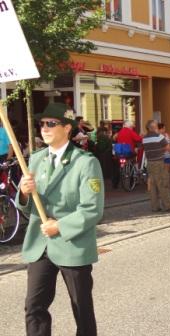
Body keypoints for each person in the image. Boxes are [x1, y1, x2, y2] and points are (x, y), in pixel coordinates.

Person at [16, 103, 104, 336]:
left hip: (72, 243)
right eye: (42, 124)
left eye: (51, 124)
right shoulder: (34, 160)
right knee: (34, 307)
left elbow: (92, 208)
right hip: (40, 244)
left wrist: (61, 226)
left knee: (81, 308)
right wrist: (24, 192)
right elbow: (27, 210)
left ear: (67, 128)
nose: (44, 128)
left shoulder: (85, 162)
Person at [143, 120, 170, 212]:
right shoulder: (159, 137)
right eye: (156, 125)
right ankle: (168, 206)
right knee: (163, 184)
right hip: (159, 163)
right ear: (153, 127)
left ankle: (155, 206)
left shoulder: (144, 138)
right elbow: (168, 148)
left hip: (150, 163)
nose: (157, 127)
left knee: (152, 185)